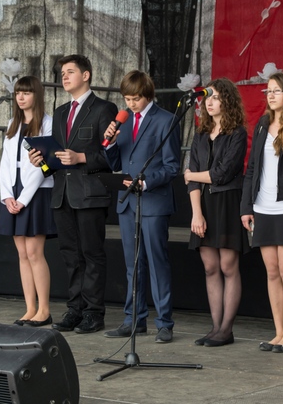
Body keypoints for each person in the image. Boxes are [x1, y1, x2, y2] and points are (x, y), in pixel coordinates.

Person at [28, 55, 117, 334]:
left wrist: (81, 157)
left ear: (86, 75)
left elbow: (112, 156)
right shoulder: (60, 112)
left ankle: (93, 313)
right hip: (62, 194)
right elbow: (55, 161)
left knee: (92, 254)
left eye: (70, 72)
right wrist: (41, 162)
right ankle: (75, 310)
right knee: (70, 255)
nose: (64, 77)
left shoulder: (104, 108)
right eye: (62, 73)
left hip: (90, 193)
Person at [103, 70, 180, 343]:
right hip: (127, 203)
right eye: (127, 99)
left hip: (153, 201)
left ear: (148, 94)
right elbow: (117, 163)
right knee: (132, 265)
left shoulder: (166, 120)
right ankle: (133, 319)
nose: (131, 104)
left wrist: (147, 183)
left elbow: (172, 166)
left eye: (136, 98)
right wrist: (110, 144)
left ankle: (164, 323)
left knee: (157, 263)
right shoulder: (123, 121)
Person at [240, 72, 283, 353]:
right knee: (271, 271)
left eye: (276, 90)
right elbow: (251, 169)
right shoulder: (262, 124)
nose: (270, 95)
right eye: (268, 90)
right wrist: (246, 207)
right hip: (262, 207)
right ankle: (278, 332)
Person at [185, 78, 249, 347]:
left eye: (215, 97)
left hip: (227, 202)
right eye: (206, 97)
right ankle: (215, 327)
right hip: (203, 205)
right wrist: (196, 214)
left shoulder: (237, 133)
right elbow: (192, 180)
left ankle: (226, 329)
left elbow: (221, 174)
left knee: (228, 266)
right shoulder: (200, 134)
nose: (208, 102)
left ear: (227, 101)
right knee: (210, 267)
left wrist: (192, 175)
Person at [0, 75, 57, 327]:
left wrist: (23, 198)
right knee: (22, 253)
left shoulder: (48, 124)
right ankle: (30, 308)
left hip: (37, 191)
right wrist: (7, 196)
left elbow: (44, 165)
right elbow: (5, 162)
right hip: (13, 191)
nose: (20, 97)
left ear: (36, 95)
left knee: (34, 252)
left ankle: (44, 310)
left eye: (26, 92)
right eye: (18, 93)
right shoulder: (13, 123)